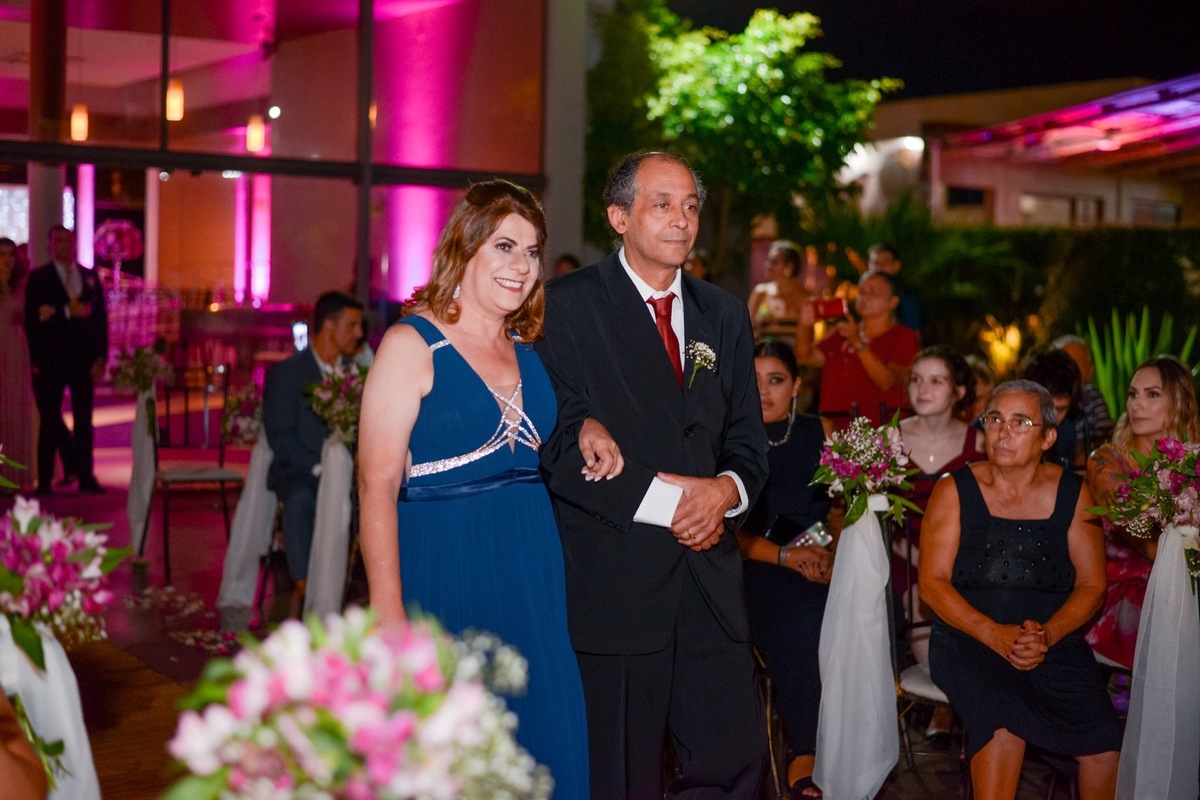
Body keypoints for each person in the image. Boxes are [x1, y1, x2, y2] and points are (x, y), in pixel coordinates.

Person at [358, 180, 604, 798]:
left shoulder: (529, 350)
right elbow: (375, 486)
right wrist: (388, 612)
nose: (521, 264)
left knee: (544, 742)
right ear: (464, 248)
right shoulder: (411, 344)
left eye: (532, 250)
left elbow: (559, 424)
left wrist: (587, 427)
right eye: (504, 246)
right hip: (447, 571)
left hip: (533, 577)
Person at [537, 151, 770, 799]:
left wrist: (725, 492)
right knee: (620, 775)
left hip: (710, 577)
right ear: (619, 217)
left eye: (690, 206)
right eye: (662, 204)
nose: (681, 220)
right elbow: (558, 444)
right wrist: (677, 505)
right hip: (618, 582)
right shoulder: (566, 306)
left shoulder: (724, 313)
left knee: (735, 763)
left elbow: (748, 442)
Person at [919, 380, 1122, 800]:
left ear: (1048, 437)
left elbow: (1092, 585)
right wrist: (994, 633)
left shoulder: (1073, 493)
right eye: (995, 419)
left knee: (1104, 746)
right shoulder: (954, 489)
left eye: (1019, 422)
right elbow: (932, 584)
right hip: (967, 635)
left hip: (1051, 638)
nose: (1003, 431)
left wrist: (1047, 635)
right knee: (1002, 724)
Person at [737, 339, 833, 799]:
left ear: (796, 386)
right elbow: (721, 527)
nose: (763, 391)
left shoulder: (821, 432)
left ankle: (850, 743)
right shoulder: (729, 438)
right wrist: (786, 557)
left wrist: (829, 552)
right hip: (755, 564)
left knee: (861, 604)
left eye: (775, 380)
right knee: (800, 615)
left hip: (821, 559)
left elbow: (842, 509)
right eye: (753, 380)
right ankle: (806, 751)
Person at [1084, 355, 1200, 669]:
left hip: (1182, 588)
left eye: (1152, 394)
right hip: (1127, 593)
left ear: (1180, 402)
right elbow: (1138, 536)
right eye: (1133, 394)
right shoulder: (1107, 461)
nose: (1137, 404)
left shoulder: (1193, 464)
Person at [896, 345, 986, 746]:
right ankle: (947, 693)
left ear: (958, 392)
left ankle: (956, 701)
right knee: (920, 594)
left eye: (936, 381)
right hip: (902, 552)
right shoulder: (889, 438)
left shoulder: (980, 444)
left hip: (962, 555)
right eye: (917, 380)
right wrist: (916, 557)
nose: (923, 389)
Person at [262, 290, 364, 607]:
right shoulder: (288, 373)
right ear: (329, 326)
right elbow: (281, 437)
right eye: (352, 325)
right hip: (303, 471)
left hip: (351, 474)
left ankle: (367, 584)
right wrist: (323, 468)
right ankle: (305, 586)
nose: (359, 333)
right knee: (300, 499)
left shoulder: (357, 375)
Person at [24, 225, 108, 495]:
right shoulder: (39, 278)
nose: (64, 245)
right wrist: (65, 311)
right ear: (50, 245)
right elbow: (33, 320)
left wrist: (100, 356)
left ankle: (86, 477)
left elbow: (100, 320)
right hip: (52, 359)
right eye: (58, 240)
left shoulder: (89, 276)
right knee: (49, 421)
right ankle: (45, 480)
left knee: (84, 420)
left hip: (83, 359)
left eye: (67, 240)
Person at [806, 270, 920, 429]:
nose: (865, 297)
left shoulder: (904, 337)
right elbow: (806, 358)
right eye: (861, 292)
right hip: (836, 428)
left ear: (893, 302)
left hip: (880, 430)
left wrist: (858, 343)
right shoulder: (841, 332)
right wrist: (805, 325)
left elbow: (887, 382)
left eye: (873, 293)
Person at [0, 237, 36, 491]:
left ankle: (12, 475)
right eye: (1, 254)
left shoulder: (22, 287)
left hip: (16, 352)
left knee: (15, 412)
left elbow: (31, 322)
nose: (6, 260)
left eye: (10, 254)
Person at [1021, 348, 1089, 470]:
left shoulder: (1067, 430)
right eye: (1045, 407)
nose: (1051, 417)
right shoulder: (1004, 431)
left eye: (1060, 410)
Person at [747, 240, 813, 352]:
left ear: (789, 266)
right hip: (763, 355)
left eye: (774, 262)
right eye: (768, 260)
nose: (768, 266)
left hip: (792, 358)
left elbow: (809, 338)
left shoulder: (803, 298)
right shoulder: (760, 293)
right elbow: (746, 329)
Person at [1052, 335, 1114, 446]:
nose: (1071, 369)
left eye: (1078, 363)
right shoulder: (1043, 399)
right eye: (1066, 363)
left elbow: (1105, 435)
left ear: (1090, 371)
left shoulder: (1092, 397)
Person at [867, 243, 920, 332]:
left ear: (897, 265)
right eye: (875, 263)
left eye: (885, 263)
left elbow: (912, 334)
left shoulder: (906, 299)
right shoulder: (858, 295)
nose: (879, 268)